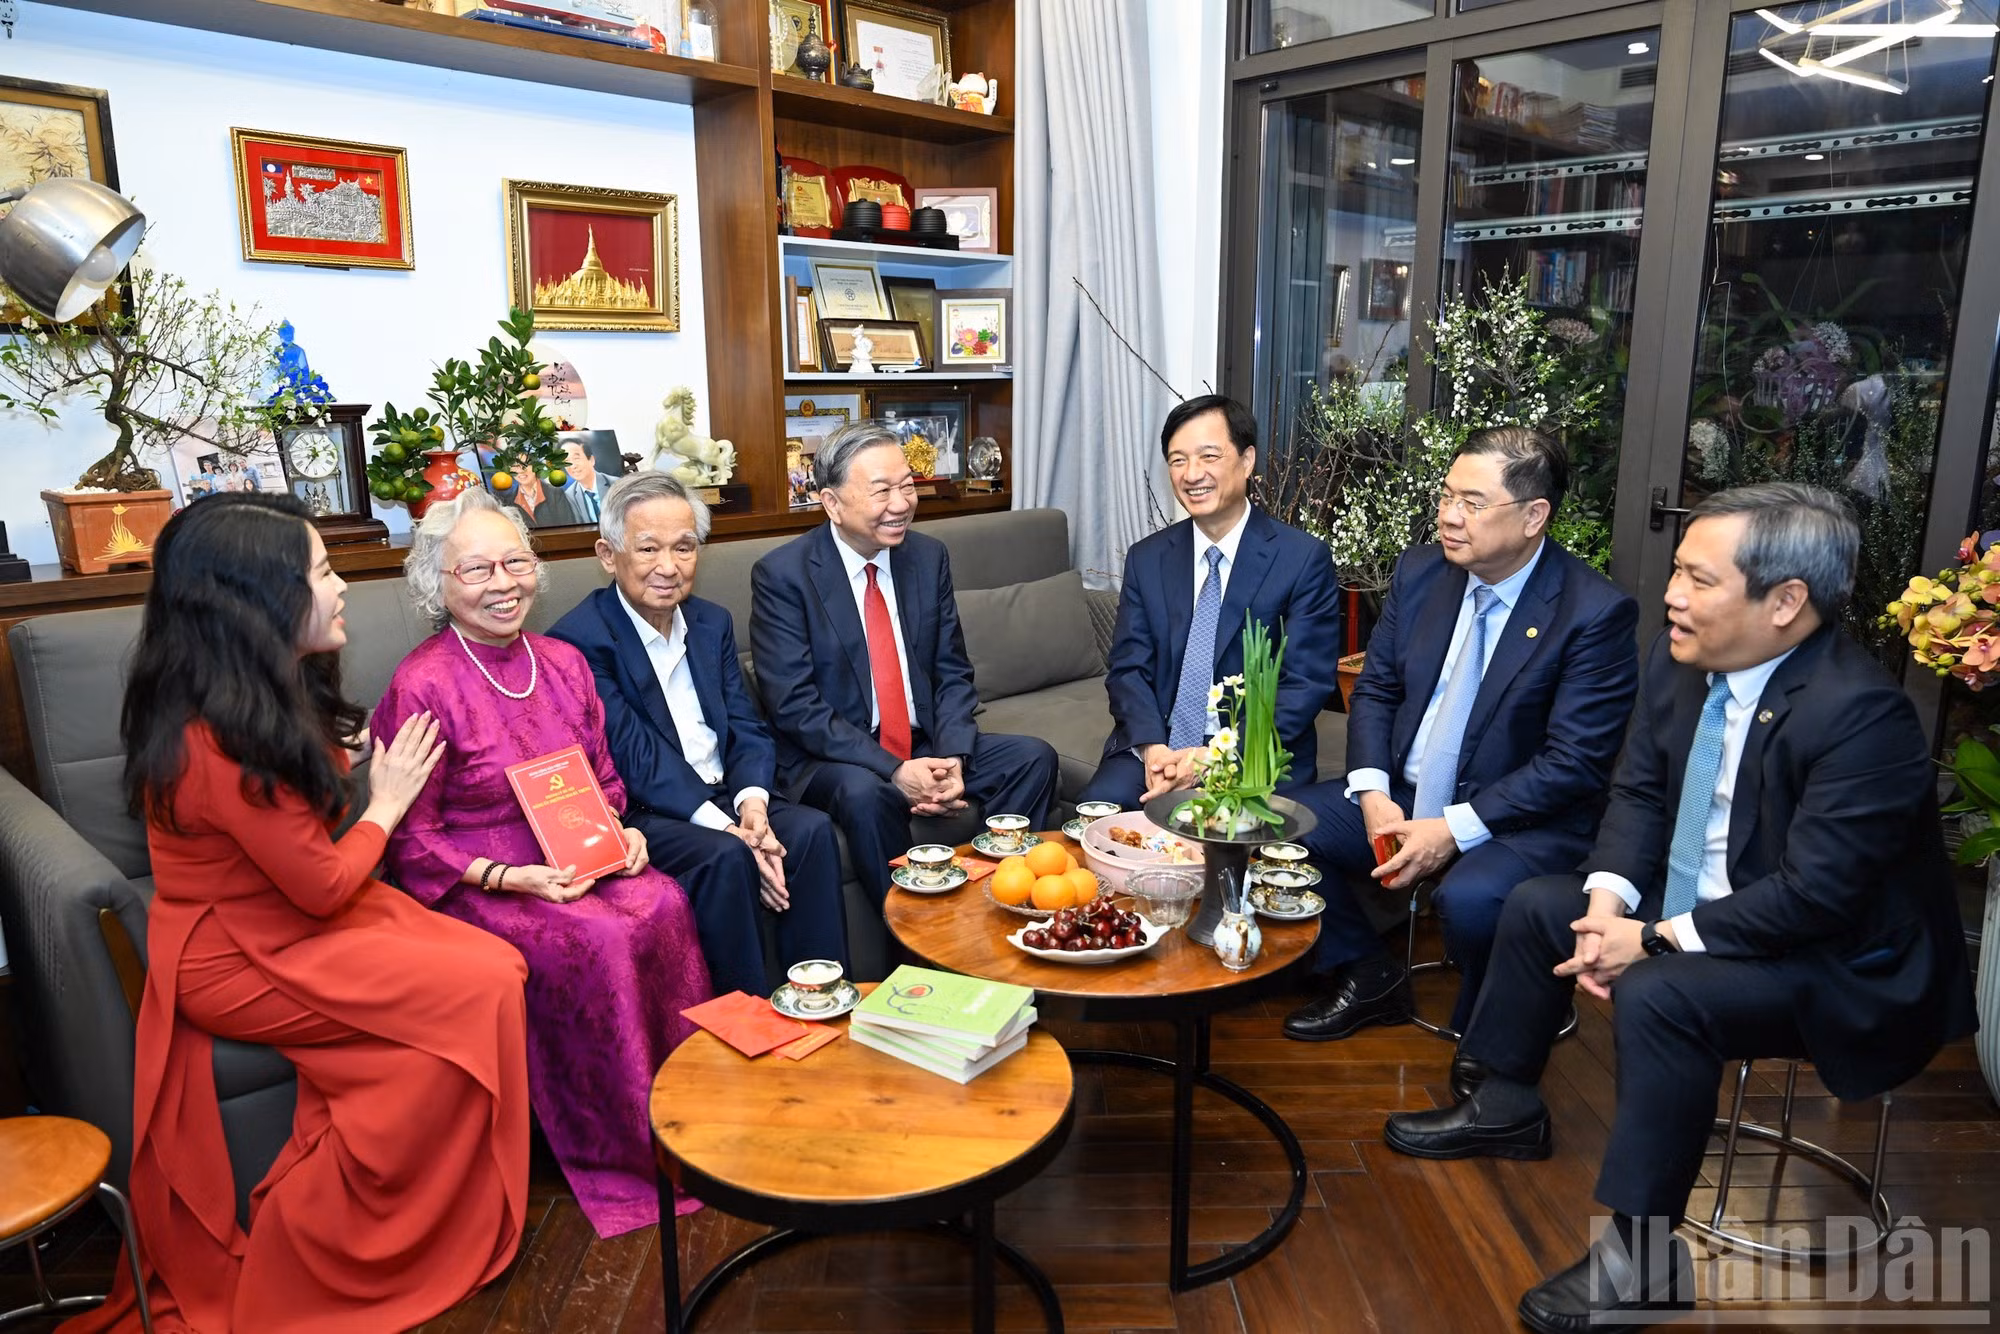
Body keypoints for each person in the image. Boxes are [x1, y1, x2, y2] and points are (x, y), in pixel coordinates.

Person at [1383, 483, 1978, 1334]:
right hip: (1710, 904)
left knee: (1663, 996)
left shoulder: (1861, 716)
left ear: (1785, 601)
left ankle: (1644, 1260)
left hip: (1835, 960)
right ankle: (1504, 1102)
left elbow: (1815, 897)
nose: (1671, 595)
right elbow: (1639, 794)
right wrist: (1606, 909)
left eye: (1699, 579)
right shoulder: (1682, 661)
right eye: (1675, 573)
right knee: (1542, 904)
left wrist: (1655, 941)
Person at [69, 493, 530, 1333]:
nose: (342, 585)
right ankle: (326, 1240)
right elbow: (320, 883)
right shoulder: (216, 738)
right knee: (486, 983)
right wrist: (385, 802)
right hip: (242, 952)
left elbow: (295, 841)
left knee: (496, 967)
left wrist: (342, 765)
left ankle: (416, 1220)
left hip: (292, 914)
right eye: (322, 571)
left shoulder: (250, 689)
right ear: (260, 601)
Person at [372, 489, 712, 1239]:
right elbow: (410, 838)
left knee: (663, 902)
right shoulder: (421, 683)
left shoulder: (561, 661)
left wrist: (623, 833)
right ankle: (628, 1152)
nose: (503, 584)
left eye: (516, 563)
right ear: (438, 583)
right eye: (477, 569)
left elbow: (604, 780)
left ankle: (694, 1122)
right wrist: (509, 877)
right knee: (601, 937)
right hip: (480, 878)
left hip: (577, 854)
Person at [1287, 426, 1639, 1043]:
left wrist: (1453, 828)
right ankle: (1369, 974)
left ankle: (1495, 1038)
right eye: (1447, 496)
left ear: (1534, 516)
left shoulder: (1593, 612)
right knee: (1273, 827)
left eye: (1473, 503)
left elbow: (1574, 762)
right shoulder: (1422, 572)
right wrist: (1372, 792)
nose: (1449, 516)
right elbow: (1377, 689)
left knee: (1472, 901)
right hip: (1405, 790)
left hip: (1521, 820)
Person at [550, 471, 849, 996]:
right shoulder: (580, 641)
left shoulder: (711, 622)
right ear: (608, 555)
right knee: (726, 856)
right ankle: (742, 1022)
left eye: (684, 548)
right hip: (648, 811)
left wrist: (753, 805)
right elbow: (636, 757)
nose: (669, 567)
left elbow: (747, 726)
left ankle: (822, 1000)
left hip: (726, 793)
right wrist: (729, 829)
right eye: (648, 548)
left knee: (810, 831)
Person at [750, 420, 1059, 909]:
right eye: (881, 491)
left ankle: (995, 901)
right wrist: (895, 770)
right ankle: (912, 930)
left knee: (1032, 758)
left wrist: (953, 757)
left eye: (907, 486)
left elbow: (952, 671)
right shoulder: (783, 575)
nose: (901, 504)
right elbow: (795, 707)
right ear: (831, 503)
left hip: (923, 740)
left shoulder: (927, 557)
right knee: (866, 794)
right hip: (836, 756)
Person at [1079, 394, 1342, 809]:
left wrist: (1213, 759)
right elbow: (1129, 668)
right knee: (1097, 817)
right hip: (1157, 747)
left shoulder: (1301, 559)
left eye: (1209, 456)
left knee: (1221, 836)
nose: (1192, 474)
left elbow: (1304, 686)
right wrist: (1153, 748)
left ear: (1247, 460)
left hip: (1250, 754)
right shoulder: (1147, 559)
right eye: (1178, 460)